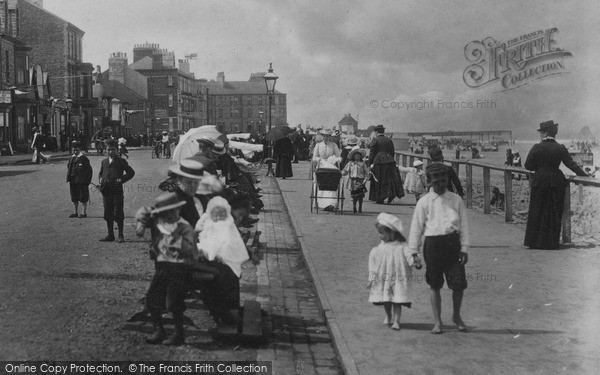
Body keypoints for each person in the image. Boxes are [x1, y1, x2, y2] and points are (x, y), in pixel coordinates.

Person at [409, 162, 470, 334]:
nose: (440, 183)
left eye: (443, 179)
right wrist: (414, 252)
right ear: (428, 180)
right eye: (436, 179)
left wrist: (464, 248)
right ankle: (437, 321)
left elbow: (464, 226)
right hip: (433, 246)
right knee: (434, 285)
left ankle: (456, 316)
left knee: (458, 285)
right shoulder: (424, 202)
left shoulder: (456, 200)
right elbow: (416, 228)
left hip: (453, 245)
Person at [140, 192, 199, 346]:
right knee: (152, 299)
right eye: (168, 212)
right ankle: (159, 330)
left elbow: (191, 250)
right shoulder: (159, 223)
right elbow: (142, 214)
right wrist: (141, 223)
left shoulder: (184, 227)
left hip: (180, 269)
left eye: (175, 211)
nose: (172, 214)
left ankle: (179, 334)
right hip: (163, 268)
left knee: (174, 302)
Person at [524, 120, 588, 250]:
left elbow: (528, 165)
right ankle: (550, 243)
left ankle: (534, 242)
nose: (540, 135)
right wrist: (586, 177)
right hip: (556, 181)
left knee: (537, 210)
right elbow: (571, 165)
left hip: (540, 180)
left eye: (541, 132)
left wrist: (540, 168)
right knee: (553, 212)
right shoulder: (560, 148)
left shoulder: (536, 147)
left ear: (545, 133)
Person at [368, 213, 421, 330]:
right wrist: (371, 279)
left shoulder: (403, 247)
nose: (379, 236)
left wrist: (415, 262)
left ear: (391, 233)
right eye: (379, 233)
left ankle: (397, 321)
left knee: (397, 300)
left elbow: (410, 257)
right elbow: (373, 265)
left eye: (382, 233)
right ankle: (388, 316)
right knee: (387, 300)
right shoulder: (379, 249)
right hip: (385, 279)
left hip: (399, 279)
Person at [98, 139, 135, 243]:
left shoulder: (121, 161)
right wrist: (101, 179)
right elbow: (101, 173)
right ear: (106, 150)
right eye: (108, 150)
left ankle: (120, 235)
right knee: (107, 213)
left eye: (113, 150)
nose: (110, 152)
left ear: (116, 150)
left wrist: (121, 179)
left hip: (117, 191)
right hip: (106, 191)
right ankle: (110, 235)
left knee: (118, 212)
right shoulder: (104, 162)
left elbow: (131, 172)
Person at [368, 125, 404, 204]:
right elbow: (392, 152)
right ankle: (391, 194)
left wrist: (370, 163)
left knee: (378, 179)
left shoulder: (375, 140)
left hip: (379, 161)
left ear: (377, 132)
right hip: (389, 161)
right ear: (383, 132)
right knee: (389, 179)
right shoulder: (389, 140)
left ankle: (379, 198)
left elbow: (372, 153)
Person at [312, 129, 342, 211]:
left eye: (328, 136)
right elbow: (314, 157)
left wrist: (335, 159)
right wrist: (319, 159)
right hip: (321, 165)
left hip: (330, 166)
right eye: (324, 135)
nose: (326, 137)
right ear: (322, 136)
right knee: (320, 179)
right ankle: (320, 203)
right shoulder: (318, 145)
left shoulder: (333, 145)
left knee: (333, 179)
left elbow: (339, 156)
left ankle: (330, 203)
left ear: (330, 137)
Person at [66, 141, 93, 218]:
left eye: (76, 150)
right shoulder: (72, 158)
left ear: (80, 150)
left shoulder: (84, 158)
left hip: (82, 181)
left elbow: (89, 170)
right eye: (74, 150)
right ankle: (75, 212)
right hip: (73, 180)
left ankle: (83, 213)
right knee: (74, 197)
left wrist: (87, 181)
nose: (75, 152)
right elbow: (69, 167)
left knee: (83, 197)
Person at [341, 148, 369, 214]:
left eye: (358, 156)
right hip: (353, 181)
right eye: (355, 155)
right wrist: (342, 172)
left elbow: (367, 173)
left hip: (360, 181)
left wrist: (365, 180)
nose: (357, 157)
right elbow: (345, 170)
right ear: (353, 156)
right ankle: (354, 207)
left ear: (360, 157)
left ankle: (360, 207)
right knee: (354, 196)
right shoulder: (350, 163)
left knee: (360, 195)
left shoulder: (362, 164)